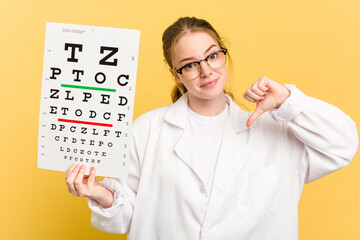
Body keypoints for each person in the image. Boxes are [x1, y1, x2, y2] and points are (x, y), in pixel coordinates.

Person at [65, 17, 358, 240]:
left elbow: (343, 145)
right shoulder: (147, 130)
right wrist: (104, 196)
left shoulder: (276, 131)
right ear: (175, 74)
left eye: (212, 56)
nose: (206, 70)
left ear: (223, 55)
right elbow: (124, 218)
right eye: (190, 64)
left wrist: (287, 103)